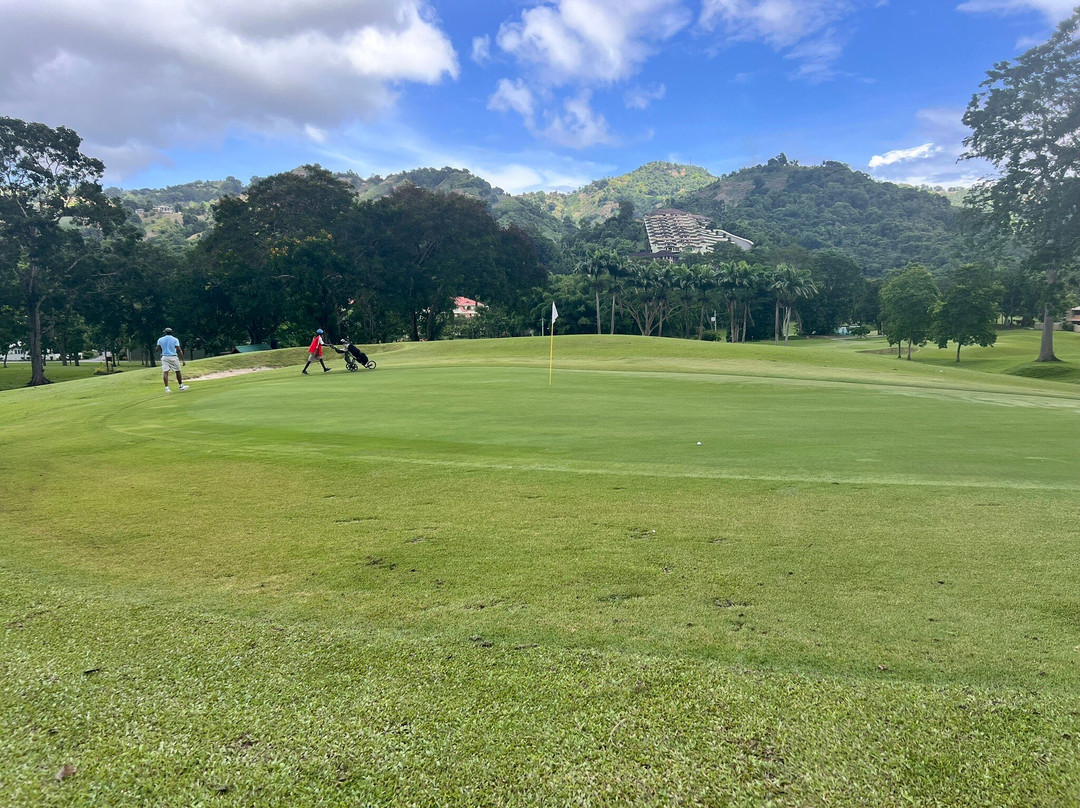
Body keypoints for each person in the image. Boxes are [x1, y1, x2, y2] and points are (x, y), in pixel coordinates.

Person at [156, 328, 188, 393]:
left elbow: (158, 348)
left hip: (164, 357)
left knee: (165, 372)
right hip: (173, 357)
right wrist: (183, 360)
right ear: (171, 333)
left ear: (165, 333)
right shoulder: (175, 339)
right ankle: (181, 386)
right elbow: (179, 349)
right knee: (177, 371)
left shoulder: (160, 339)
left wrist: (161, 351)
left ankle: (167, 388)